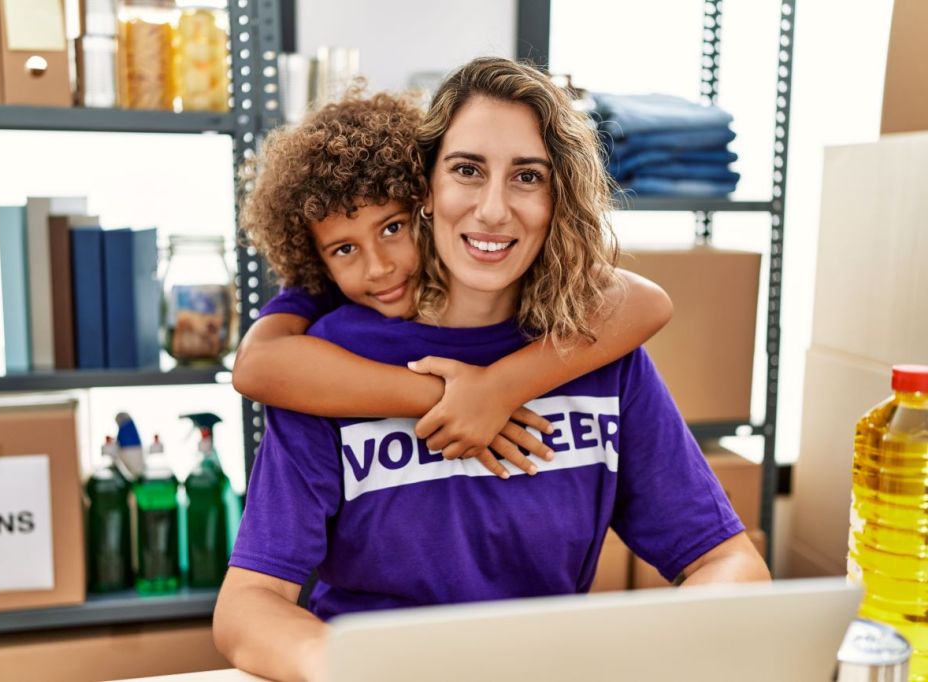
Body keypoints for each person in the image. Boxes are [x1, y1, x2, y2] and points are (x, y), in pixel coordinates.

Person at [214, 59, 770, 682]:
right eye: (467, 170)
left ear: (558, 199)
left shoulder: (601, 357)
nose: (494, 210)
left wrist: (647, 658)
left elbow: (730, 563)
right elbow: (248, 607)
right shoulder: (327, 366)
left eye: (527, 176)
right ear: (425, 187)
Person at [231, 90, 672, 477]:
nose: (379, 267)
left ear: (424, 201)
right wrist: (451, 397)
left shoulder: (519, 275)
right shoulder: (323, 295)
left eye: (392, 229)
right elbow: (255, 366)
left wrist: (500, 388)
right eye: (345, 250)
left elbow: (647, 302)